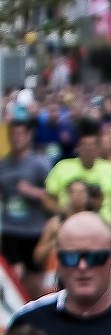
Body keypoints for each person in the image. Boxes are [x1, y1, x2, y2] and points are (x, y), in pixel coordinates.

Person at [0, 116, 52, 285]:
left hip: (34, 230)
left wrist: (32, 192)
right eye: (13, 134)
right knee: (15, 273)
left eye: (20, 134)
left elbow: (52, 197)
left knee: (34, 279)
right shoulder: (3, 165)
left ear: (29, 135)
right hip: (11, 229)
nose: (16, 138)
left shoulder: (40, 164)